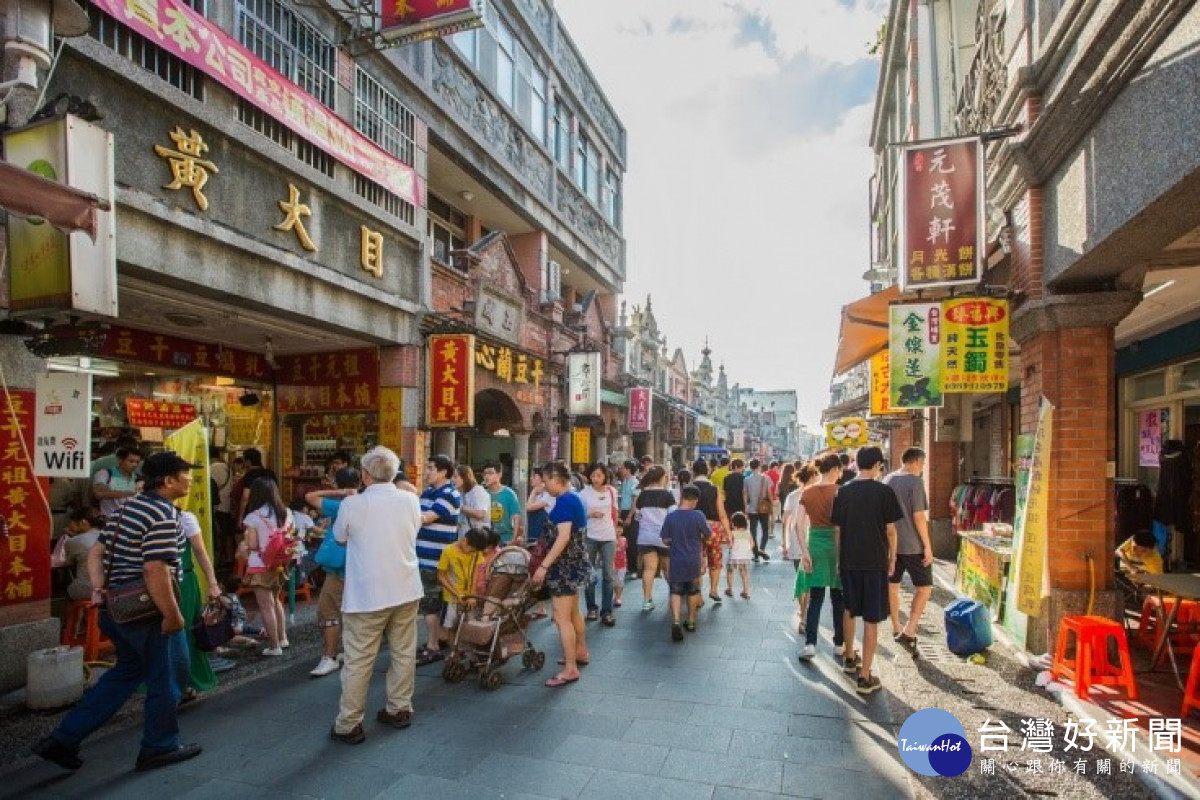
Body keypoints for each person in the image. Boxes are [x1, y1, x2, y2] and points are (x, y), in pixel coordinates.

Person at [36, 451, 201, 773]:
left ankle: (63, 738)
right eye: (186, 474)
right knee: (162, 679)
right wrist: (172, 614)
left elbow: (97, 553)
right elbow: (156, 569)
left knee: (125, 673)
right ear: (168, 481)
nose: (190, 479)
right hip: (145, 612)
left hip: (117, 607)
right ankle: (159, 746)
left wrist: (100, 590)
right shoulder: (164, 514)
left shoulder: (128, 508)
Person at [330, 446, 424, 744]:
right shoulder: (410, 500)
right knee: (403, 651)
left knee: (358, 659)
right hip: (406, 587)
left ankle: (349, 723)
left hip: (367, 594)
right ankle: (399, 708)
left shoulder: (352, 504)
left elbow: (339, 537)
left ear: (364, 475)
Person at [833, 446, 903, 695]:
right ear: (875, 465)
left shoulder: (844, 491)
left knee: (850, 609)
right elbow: (891, 530)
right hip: (875, 563)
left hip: (849, 560)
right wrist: (892, 557)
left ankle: (850, 656)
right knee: (872, 618)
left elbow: (838, 530)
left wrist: (840, 559)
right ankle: (865, 676)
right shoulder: (884, 492)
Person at [532, 461, 593, 688]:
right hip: (573, 565)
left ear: (556, 479)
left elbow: (563, 537)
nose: (544, 485)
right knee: (574, 612)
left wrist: (544, 565)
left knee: (561, 617)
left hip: (564, 567)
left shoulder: (566, 500)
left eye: (546, 481)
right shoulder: (573, 497)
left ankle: (570, 668)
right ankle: (580, 652)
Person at [305, 467, 360, 678]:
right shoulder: (366, 502)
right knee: (351, 612)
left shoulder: (340, 505)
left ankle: (329, 656)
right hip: (359, 566)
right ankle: (349, 652)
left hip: (339, 568)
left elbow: (310, 496)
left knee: (328, 611)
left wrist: (339, 492)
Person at [795, 455, 846, 662]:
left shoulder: (807, 492)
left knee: (815, 597)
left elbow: (797, 525)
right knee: (838, 598)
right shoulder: (839, 491)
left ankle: (810, 644)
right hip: (836, 546)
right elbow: (841, 526)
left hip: (814, 543)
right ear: (835, 469)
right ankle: (839, 644)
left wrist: (805, 553)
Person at [884, 448, 934, 655]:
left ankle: (896, 626)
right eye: (922, 464)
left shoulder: (887, 479)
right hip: (913, 545)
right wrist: (928, 546)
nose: (922, 468)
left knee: (892, 586)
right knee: (924, 587)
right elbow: (919, 517)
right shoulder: (915, 481)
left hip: (890, 544)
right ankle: (910, 629)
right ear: (915, 462)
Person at [416, 454, 461, 665]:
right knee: (433, 604)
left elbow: (425, 518)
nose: (427, 471)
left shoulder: (449, 494)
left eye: (431, 468)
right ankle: (439, 640)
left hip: (436, 559)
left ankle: (433, 646)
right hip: (423, 557)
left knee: (430, 605)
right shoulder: (427, 492)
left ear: (444, 472)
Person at [241, 477, 293, 656]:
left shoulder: (252, 517)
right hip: (280, 564)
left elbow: (253, 545)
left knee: (266, 605)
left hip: (259, 565)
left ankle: (274, 646)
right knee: (276, 601)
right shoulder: (285, 512)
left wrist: (244, 545)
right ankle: (283, 637)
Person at [177, 511, 223, 698]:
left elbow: (200, 551)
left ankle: (186, 680)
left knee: (186, 630)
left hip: (183, 581)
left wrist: (212, 583)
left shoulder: (185, 517)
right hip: (160, 580)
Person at [662, 484, 711, 641]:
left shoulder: (671, 517)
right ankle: (690, 621)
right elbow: (708, 535)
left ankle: (676, 620)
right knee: (693, 591)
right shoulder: (698, 516)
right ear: (694, 500)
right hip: (693, 559)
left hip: (676, 558)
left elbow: (665, 539)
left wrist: (674, 543)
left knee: (675, 591)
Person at [579, 463, 619, 626]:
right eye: (593, 475)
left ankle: (607, 611)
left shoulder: (612, 491)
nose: (596, 479)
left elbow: (615, 512)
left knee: (609, 574)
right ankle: (591, 608)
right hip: (590, 536)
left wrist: (616, 530)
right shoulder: (584, 493)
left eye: (599, 476)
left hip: (608, 536)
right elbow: (580, 514)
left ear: (605, 476)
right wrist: (591, 514)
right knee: (589, 573)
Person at [634, 466, 676, 612]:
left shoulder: (642, 495)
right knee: (668, 569)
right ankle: (674, 595)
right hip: (664, 537)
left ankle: (647, 600)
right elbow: (672, 517)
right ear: (661, 478)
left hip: (645, 537)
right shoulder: (667, 495)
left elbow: (637, 517)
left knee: (649, 568)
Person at [690, 459, 729, 603]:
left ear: (693, 471)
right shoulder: (714, 489)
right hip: (714, 528)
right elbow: (722, 513)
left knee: (697, 560)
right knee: (715, 559)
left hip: (693, 527)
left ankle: (698, 595)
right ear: (707, 472)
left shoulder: (689, 488)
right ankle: (713, 590)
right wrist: (729, 533)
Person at [437, 527, 488, 630]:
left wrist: (472, 595)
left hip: (468, 597)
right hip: (451, 597)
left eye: (474, 551)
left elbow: (475, 574)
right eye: (471, 549)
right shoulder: (448, 551)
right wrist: (457, 594)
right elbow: (441, 576)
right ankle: (445, 644)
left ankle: (460, 645)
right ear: (465, 540)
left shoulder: (476, 553)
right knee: (448, 627)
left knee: (466, 627)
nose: (471, 552)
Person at [64, 509, 104, 601]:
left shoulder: (73, 541)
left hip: (88, 590)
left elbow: (69, 562)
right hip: (112, 587)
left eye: (71, 522)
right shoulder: (109, 535)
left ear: (83, 522)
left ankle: (76, 614)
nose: (69, 526)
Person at [92, 447, 142, 519]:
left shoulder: (137, 479)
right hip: (109, 520)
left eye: (137, 462)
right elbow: (99, 494)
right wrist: (129, 493)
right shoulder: (105, 474)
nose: (135, 465)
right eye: (131, 461)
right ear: (120, 460)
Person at [480, 461, 523, 544]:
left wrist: (513, 540)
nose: (486, 476)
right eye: (484, 474)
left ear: (499, 474)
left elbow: (516, 516)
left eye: (490, 473)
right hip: (488, 540)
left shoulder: (509, 494)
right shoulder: (483, 494)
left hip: (506, 538)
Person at [233, 448, 276, 524]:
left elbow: (245, 498)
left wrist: (240, 517)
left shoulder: (250, 475)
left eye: (244, 460)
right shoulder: (270, 473)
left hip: (254, 512)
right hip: (270, 511)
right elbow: (276, 493)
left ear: (248, 461)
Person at [743, 459, 772, 562]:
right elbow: (769, 493)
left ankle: (756, 554)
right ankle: (762, 549)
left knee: (753, 531)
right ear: (759, 466)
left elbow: (745, 494)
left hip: (752, 509)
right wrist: (771, 506)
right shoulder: (766, 478)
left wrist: (745, 507)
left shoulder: (746, 479)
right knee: (765, 530)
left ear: (750, 467)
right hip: (763, 508)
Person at [616, 460, 639, 584]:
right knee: (623, 541)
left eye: (623, 468)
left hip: (631, 513)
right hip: (623, 512)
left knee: (632, 541)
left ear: (629, 469)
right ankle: (626, 567)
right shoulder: (624, 482)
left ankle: (634, 568)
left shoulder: (634, 482)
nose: (621, 470)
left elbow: (635, 501)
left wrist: (630, 516)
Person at [455, 465, 490, 538]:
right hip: (463, 536)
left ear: (465, 477)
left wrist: (462, 507)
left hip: (478, 537)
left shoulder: (478, 491)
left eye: (455, 477)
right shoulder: (460, 493)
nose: (453, 480)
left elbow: (480, 514)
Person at [727, 512, 755, 598]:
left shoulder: (733, 533)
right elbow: (752, 544)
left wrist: (731, 546)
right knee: (744, 573)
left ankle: (730, 589)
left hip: (734, 557)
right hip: (745, 557)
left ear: (734, 523)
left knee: (730, 571)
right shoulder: (747, 532)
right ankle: (746, 591)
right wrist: (747, 550)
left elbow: (730, 545)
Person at [526, 468, 553, 545]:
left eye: (534, 476)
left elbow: (529, 507)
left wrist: (534, 491)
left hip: (543, 535)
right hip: (533, 534)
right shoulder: (539, 493)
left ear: (542, 479)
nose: (531, 478)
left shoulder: (549, 494)